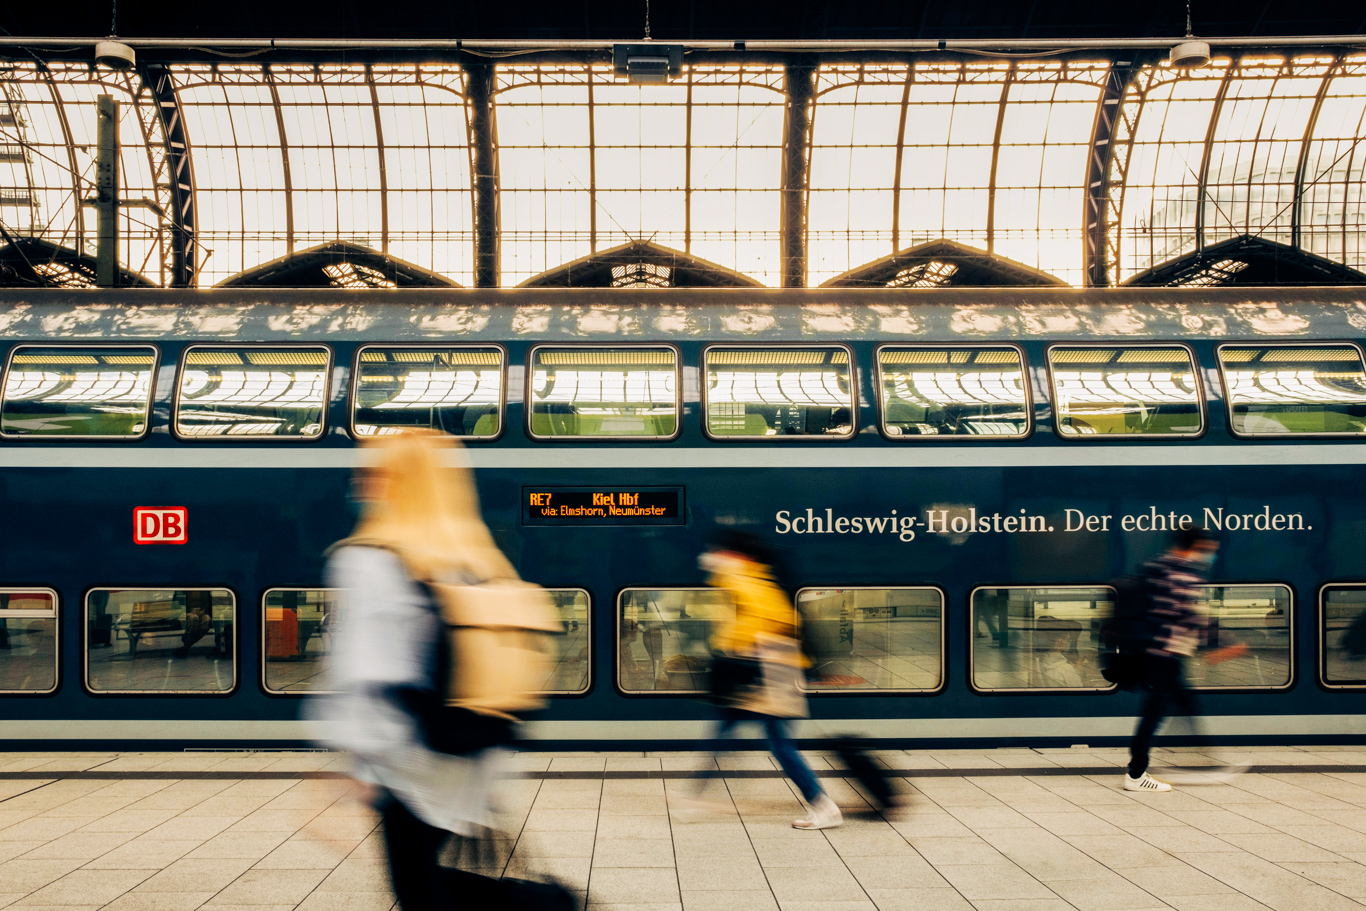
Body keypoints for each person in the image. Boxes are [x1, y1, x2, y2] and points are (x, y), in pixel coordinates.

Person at [312, 431, 520, 910]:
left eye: (370, 474)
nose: (360, 484)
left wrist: (351, 766)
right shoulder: (473, 557)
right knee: (437, 885)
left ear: (391, 483)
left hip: (406, 764)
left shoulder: (368, 560)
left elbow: (366, 671)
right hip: (467, 757)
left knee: (420, 892)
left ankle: (550, 906)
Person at [685, 530, 842, 830]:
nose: (713, 555)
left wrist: (740, 648)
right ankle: (694, 797)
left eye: (721, 551)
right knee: (723, 729)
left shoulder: (745, 581)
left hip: (771, 673)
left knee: (778, 744)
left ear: (739, 556)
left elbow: (776, 622)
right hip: (762, 671)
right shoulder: (749, 580)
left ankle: (823, 805)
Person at [1125, 523, 1230, 792]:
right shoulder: (1183, 574)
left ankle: (1204, 761)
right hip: (1166, 655)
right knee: (1156, 713)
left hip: (1153, 652)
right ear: (1195, 546)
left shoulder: (1158, 566)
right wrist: (1221, 645)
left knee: (1178, 704)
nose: (1209, 555)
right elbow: (1188, 616)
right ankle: (1137, 774)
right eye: (1207, 549)